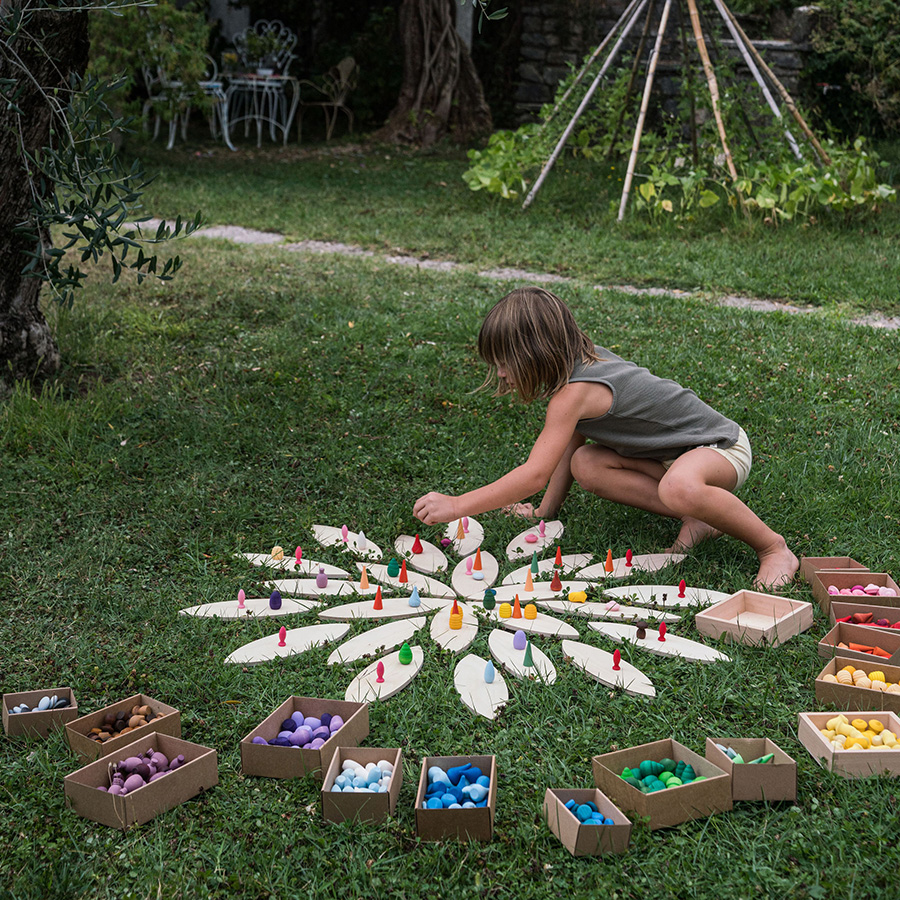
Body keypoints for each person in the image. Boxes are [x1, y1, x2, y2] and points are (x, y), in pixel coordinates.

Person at [413, 286, 798, 590]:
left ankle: (772, 547)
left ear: (534, 354)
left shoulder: (573, 393)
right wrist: (546, 512)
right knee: (588, 464)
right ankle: (700, 517)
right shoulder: (578, 367)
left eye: (503, 362)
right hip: (674, 459)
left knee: (679, 485)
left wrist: (458, 505)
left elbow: (533, 473)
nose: (499, 374)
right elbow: (571, 447)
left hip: (720, 449)